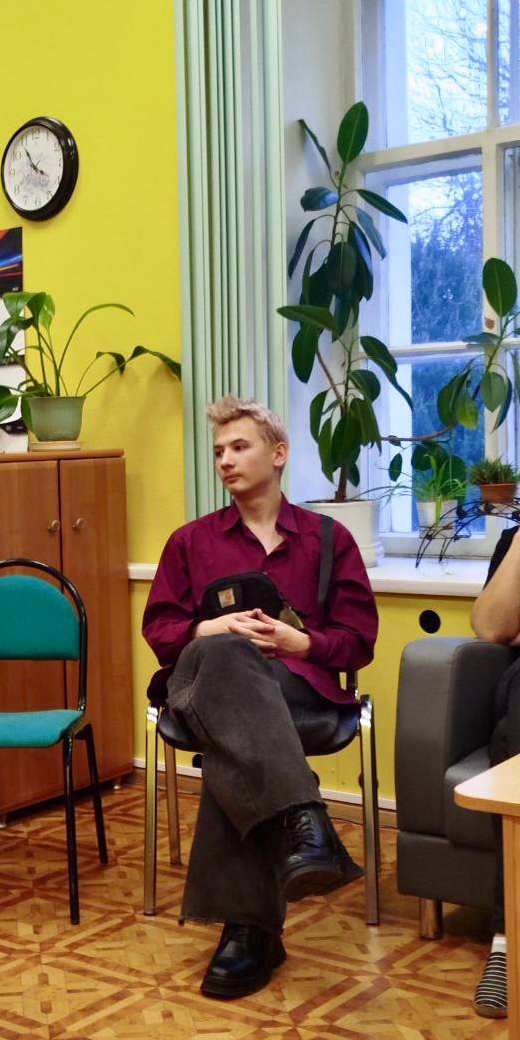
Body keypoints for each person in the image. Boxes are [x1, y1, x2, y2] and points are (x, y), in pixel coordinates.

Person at [142, 395, 378, 998]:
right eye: (219, 450)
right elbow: (159, 630)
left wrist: (302, 642)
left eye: (239, 447)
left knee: (236, 746)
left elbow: (359, 641)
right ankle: (305, 818)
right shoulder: (189, 542)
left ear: (278, 454)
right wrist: (210, 628)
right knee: (227, 654)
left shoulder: (330, 540)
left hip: (296, 691)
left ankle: (250, 931)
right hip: (201, 688)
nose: (225, 460)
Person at [468, 513, 520, 1017]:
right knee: (519, 712)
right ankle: (509, 941)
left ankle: (510, 937)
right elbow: (492, 627)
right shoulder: (516, 540)